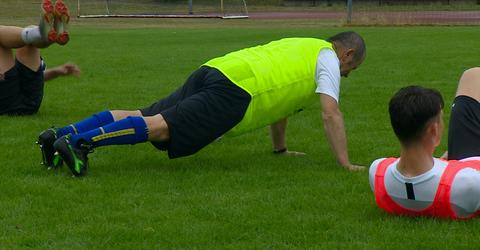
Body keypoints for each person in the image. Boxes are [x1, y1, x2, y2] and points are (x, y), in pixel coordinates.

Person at [38, 32, 366, 176]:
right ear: (347, 54)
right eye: (349, 70)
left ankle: (58, 135)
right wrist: (344, 163)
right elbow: (330, 113)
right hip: (236, 91)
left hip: (217, 69)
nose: (345, 76)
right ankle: (79, 143)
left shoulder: (304, 46)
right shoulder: (327, 59)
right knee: (162, 128)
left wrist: (280, 150)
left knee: (144, 114)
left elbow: (280, 108)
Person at [369, 71, 480, 220]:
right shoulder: (468, 184)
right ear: (434, 131)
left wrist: (442, 164)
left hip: (453, 168)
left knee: (472, 75)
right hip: (466, 166)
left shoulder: (377, 171)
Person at [0, 0, 80, 116]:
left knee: (30, 41)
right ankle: (40, 33)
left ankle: (42, 33)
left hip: (27, 103)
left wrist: (56, 72)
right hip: (13, 103)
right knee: (26, 34)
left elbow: (37, 77)